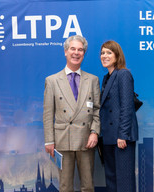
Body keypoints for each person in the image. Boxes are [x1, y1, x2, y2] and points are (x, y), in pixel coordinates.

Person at [43, 35, 100, 192]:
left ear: (84, 53)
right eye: (73, 49)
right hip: (63, 140)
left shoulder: (93, 80)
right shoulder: (52, 80)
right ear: (65, 52)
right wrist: (49, 140)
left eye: (80, 50)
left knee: (88, 186)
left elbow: (96, 109)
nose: (76, 53)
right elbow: (48, 114)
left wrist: (94, 132)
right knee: (65, 186)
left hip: (86, 139)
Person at [99, 40, 138, 192]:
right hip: (108, 137)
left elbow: (127, 107)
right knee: (111, 180)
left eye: (109, 52)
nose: (104, 56)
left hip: (122, 138)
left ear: (117, 55)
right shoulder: (106, 77)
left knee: (124, 182)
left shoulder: (124, 74)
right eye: (102, 53)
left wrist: (123, 135)